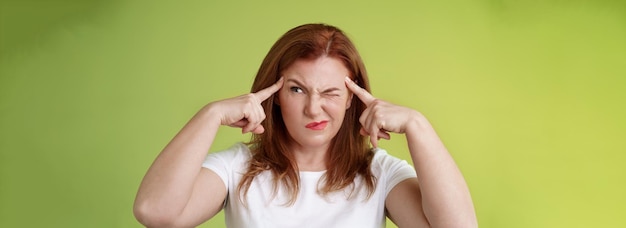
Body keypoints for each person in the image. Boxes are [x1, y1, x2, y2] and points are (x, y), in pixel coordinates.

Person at [134, 23, 477, 228]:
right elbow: (155, 213)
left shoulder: (380, 173)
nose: (314, 109)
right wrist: (210, 114)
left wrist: (418, 125)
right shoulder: (237, 168)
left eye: (330, 92)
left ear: (350, 97)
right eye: (297, 89)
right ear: (277, 94)